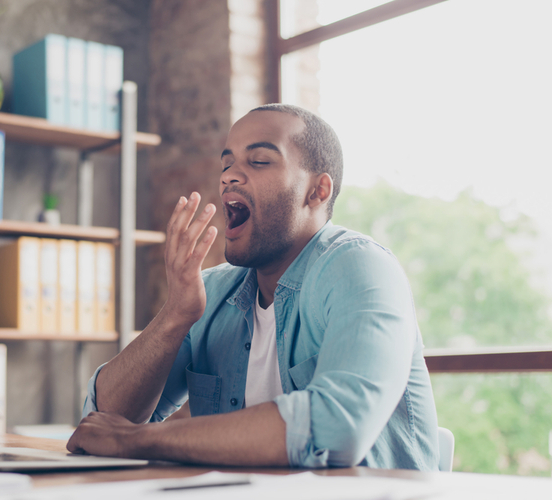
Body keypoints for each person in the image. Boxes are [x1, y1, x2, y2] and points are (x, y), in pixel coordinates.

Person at [67, 103, 439, 470]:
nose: (229, 176)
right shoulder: (210, 293)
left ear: (317, 191)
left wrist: (137, 441)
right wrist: (174, 317)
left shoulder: (359, 268)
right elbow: (101, 423)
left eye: (259, 161)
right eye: (226, 164)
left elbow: (336, 428)